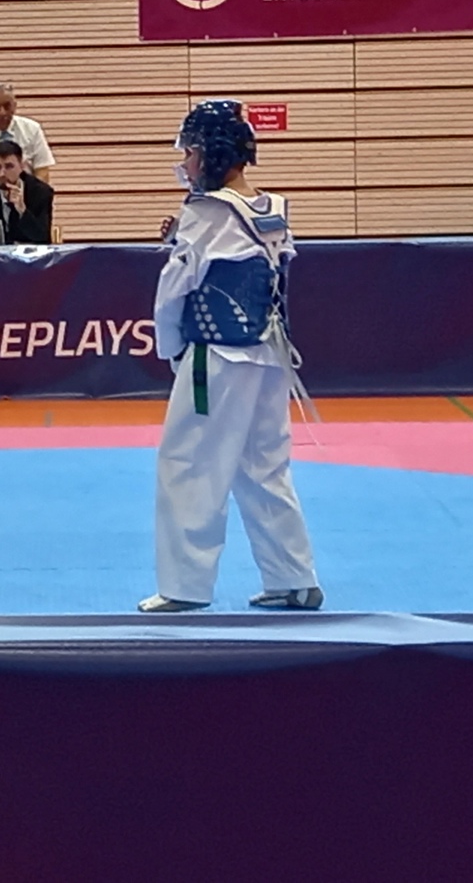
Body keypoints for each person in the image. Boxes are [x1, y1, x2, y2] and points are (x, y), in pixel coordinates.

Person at [138, 100, 322, 615]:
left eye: (191, 152)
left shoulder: (209, 212)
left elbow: (174, 290)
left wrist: (172, 348)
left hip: (215, 355)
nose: (186, 164)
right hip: (269, 356)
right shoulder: (272, 208)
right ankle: (294, 578)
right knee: (264, 466)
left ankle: (185, 586)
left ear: (213, 154)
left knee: (188, 464)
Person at [0, 140, 54, 244]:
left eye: (9, 166)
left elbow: (42, 237)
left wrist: (23, 211)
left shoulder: (41, 192)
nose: (2, 174)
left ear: (22, 166)